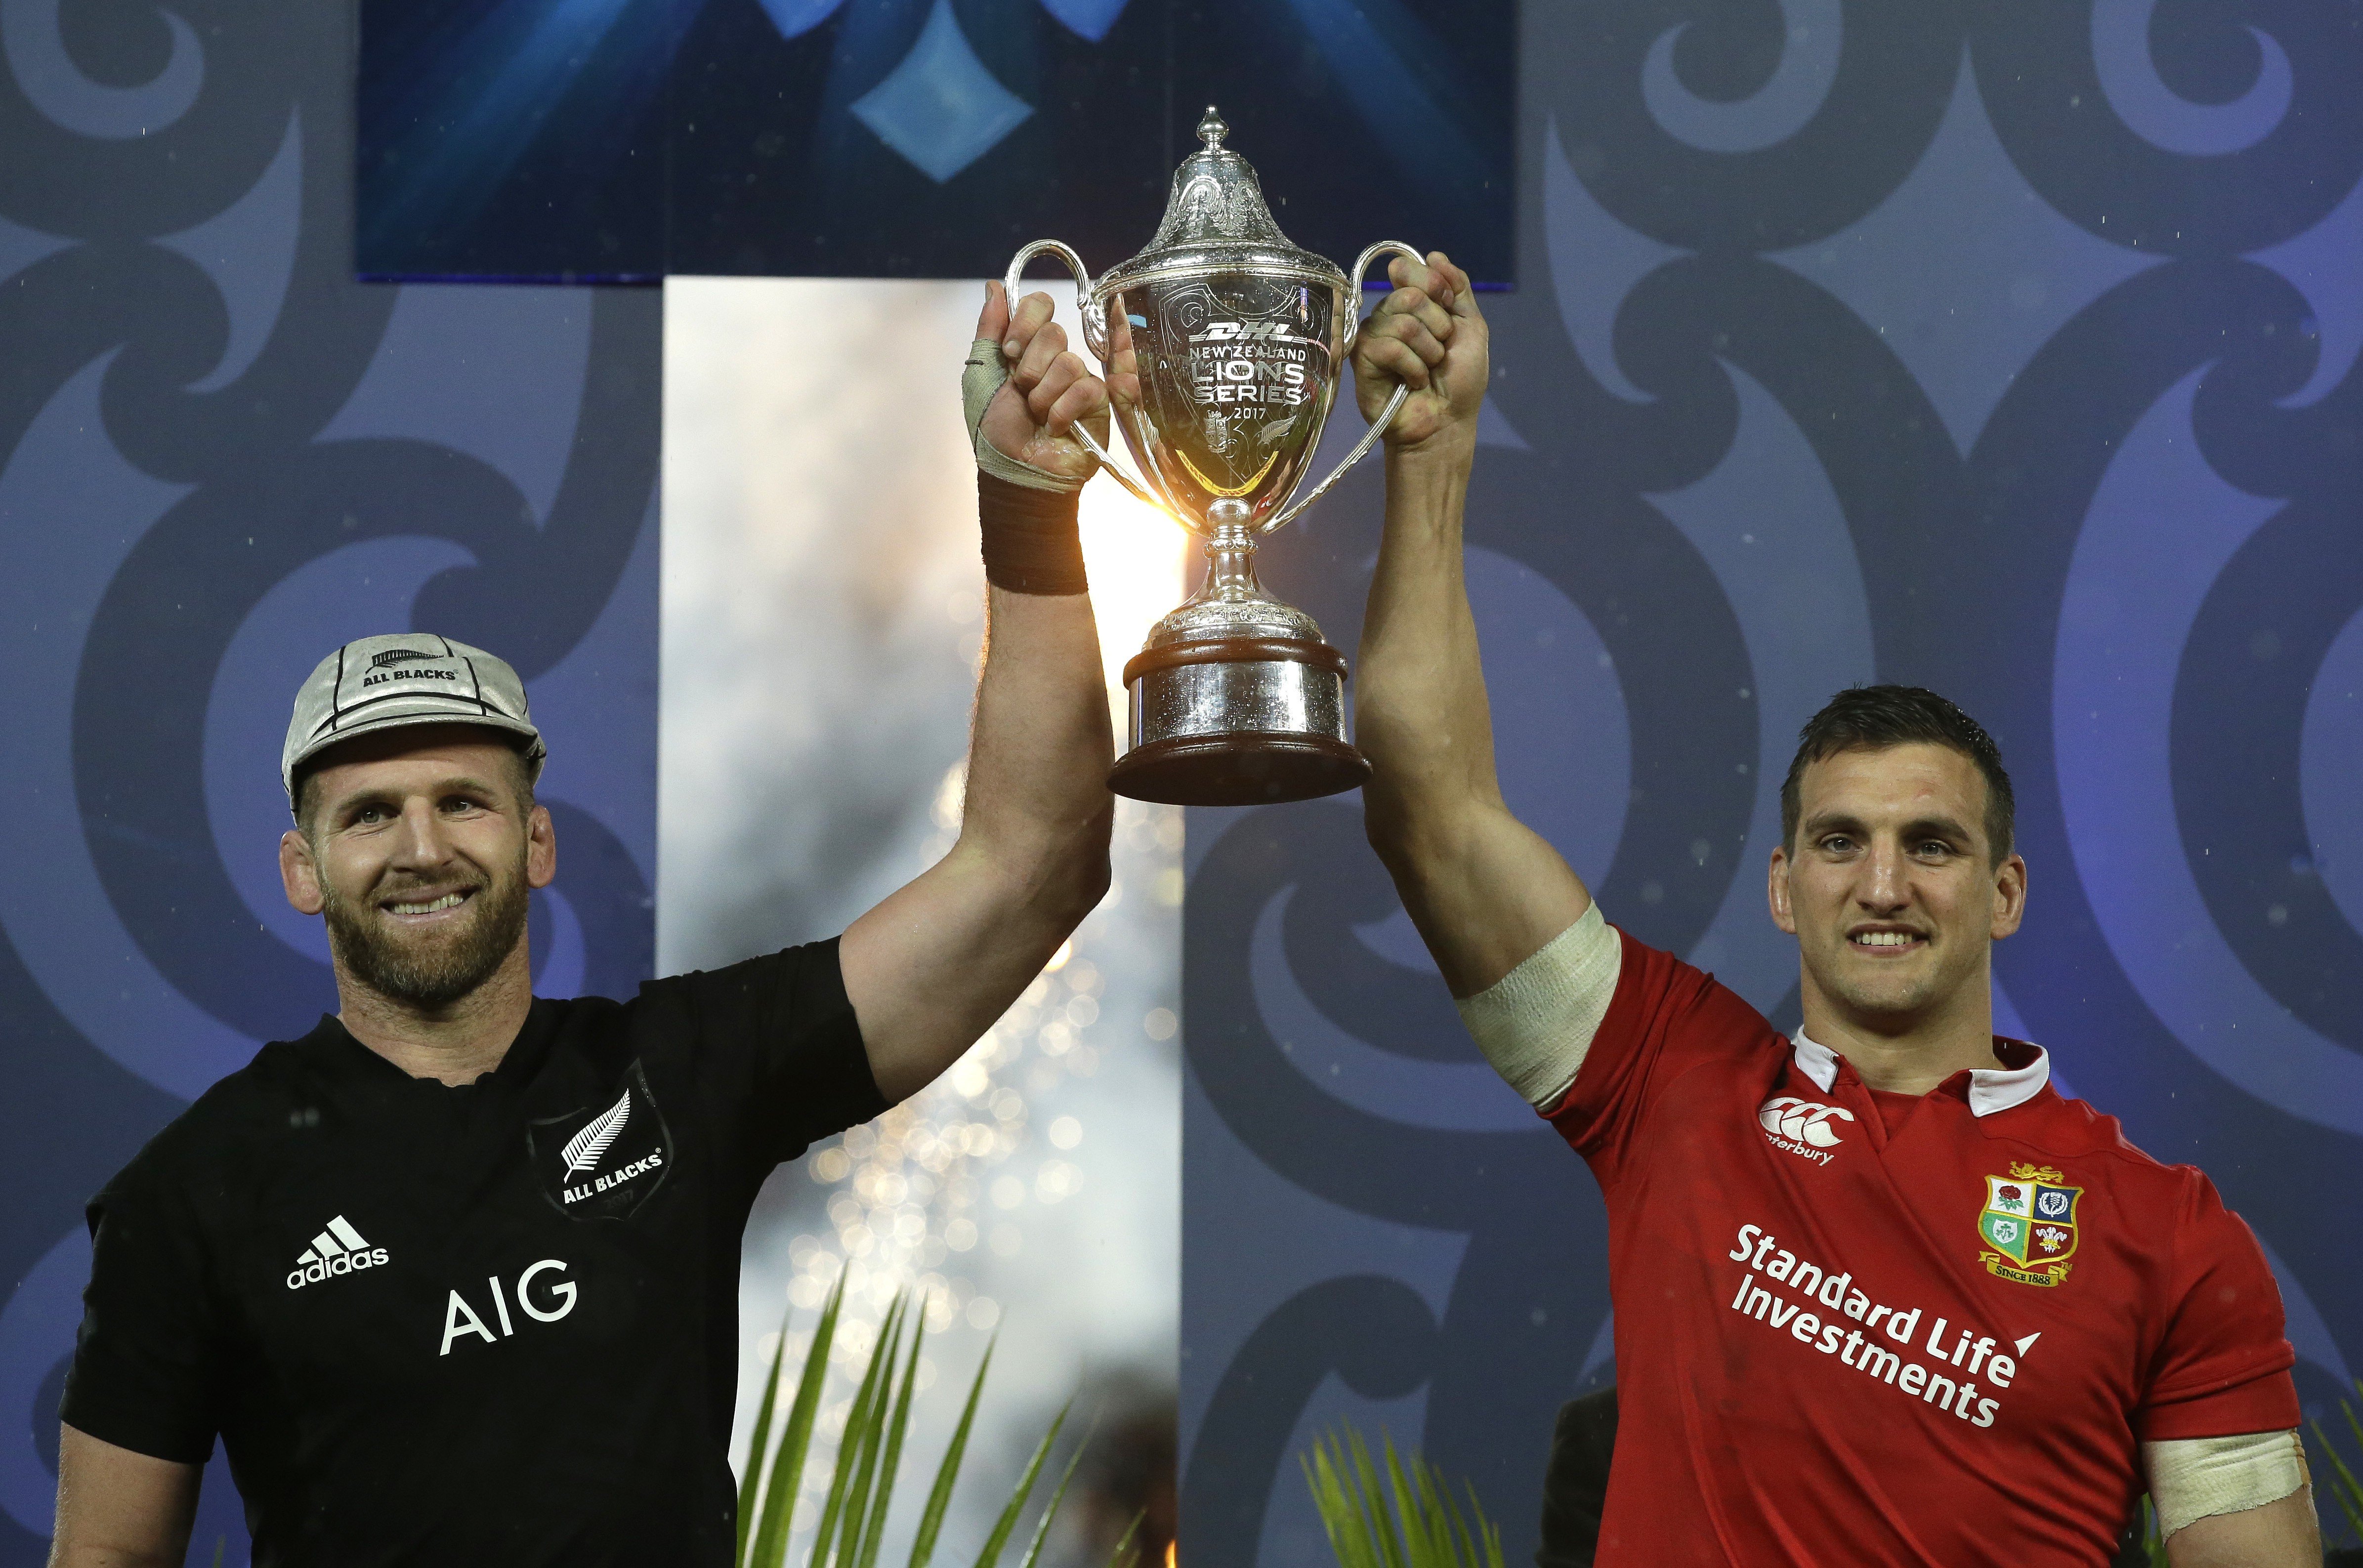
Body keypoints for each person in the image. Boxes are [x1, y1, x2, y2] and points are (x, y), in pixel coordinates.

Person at [49, 282, 1116, 1567]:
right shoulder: (191, 1194)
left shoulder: (680, 1072)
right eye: (370, 813)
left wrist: (1030, 507)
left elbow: (1036, 866)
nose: (424, 846)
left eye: (465, 802)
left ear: (538, 839)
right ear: (301, 867)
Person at [1347, 252, 2320, 1567]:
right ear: (1785, 887)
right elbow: (1432, 805)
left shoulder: (2174, 1236)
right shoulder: (1665, 1078)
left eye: (1932, 846)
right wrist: (1434, 453)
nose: (1882, 884)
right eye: (1840, 843)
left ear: (2006, 891)